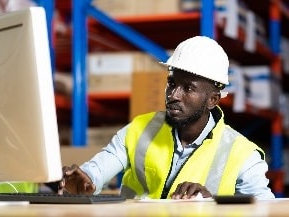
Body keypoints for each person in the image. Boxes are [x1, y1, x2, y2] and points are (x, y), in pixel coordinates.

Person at [58, 36, 275, 200]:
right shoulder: (139, 129)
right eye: (172, 83)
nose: (173, 95)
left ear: (213, 100)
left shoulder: (243, 155)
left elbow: (265, 211)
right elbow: (98, 169)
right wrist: (85, 180)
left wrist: (212, 204)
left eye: (188, 88)